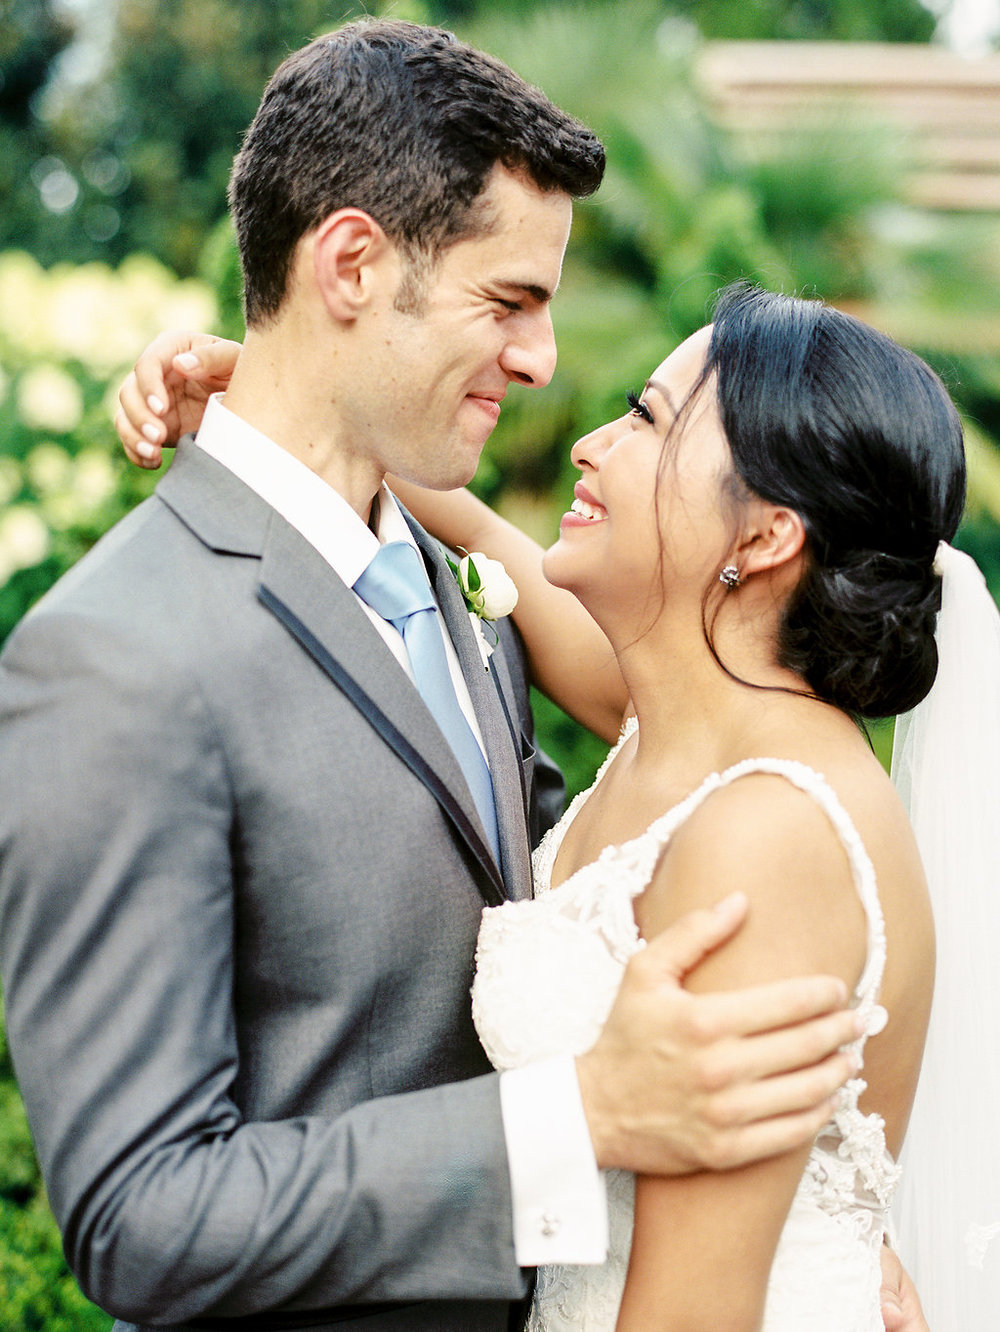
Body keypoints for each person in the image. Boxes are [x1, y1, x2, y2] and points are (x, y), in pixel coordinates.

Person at [0, 22, 865, 1332]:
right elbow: (141, 1217)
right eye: (507, 301)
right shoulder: (110, 657)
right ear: (352, 263)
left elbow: (574, 868)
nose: (542, 363)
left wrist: (819, 1237)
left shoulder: (461, 594)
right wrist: (572, 1118)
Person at [113, 280, 954, 1328]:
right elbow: (486, 550)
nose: (588, 444)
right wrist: (293, 401)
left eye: (647, 418)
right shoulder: (680, 728)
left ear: (769, 534)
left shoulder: (767, 833)